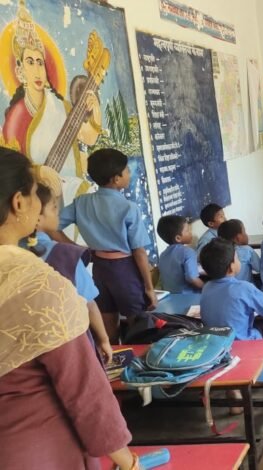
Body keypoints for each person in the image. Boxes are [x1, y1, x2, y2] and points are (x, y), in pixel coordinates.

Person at [0, 147, 138, 469]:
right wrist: (128, 461)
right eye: (35, 195)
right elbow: (84, 390)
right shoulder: (37, 285)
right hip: (36, 449)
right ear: (19, 202)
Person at [1, 0, 102, 203]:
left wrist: (96, 111)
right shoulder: (16, 117)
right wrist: (39, 172)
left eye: (40, 63)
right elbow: (10, 170)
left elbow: (88, 138)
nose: (38, 70)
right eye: (30, 62)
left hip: (69, 195)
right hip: (36, 201)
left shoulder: (60, 107)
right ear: (19, 72)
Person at [55, 148, 157, 343]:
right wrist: (149, 287)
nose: (129, 173)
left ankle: (113, 359)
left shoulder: (81, 203)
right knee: (138, 326)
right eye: (126, 170)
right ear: (116, 179)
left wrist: (75, 248)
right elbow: (139, 252)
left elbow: (52, 225)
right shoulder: (128, 208)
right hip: (126, 270)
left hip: (100, 269)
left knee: (108, 323)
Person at [25, 183, 112, 363]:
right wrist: (104, 340)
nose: (58, 211)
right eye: (53, 207)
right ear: (37, 217)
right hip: (68, 348)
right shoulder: (64, 255)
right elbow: (89, 304)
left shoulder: (10, 252)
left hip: (25, 351)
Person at [199, 238, 263, 341]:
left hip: (216, 344)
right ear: (231, 267)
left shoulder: (206, 287)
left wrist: (260, 296)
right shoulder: (244, 288)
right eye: (237, 258)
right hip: (242, 343)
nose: (239, 260)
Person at [157, 215, 204, 293]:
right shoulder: (188, 252)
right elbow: (192, 278)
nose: (191, 233)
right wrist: (206, 287)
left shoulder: (162, 255)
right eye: (188, 231)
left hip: (171, 297)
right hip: (189, 296)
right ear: (178, 238)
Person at [218, 218, 260, 283]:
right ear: (238, 238)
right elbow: (259, 268)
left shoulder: (219, 252)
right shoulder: (246, 250)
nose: (246, 234)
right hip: (245, 287)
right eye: (244, 232)